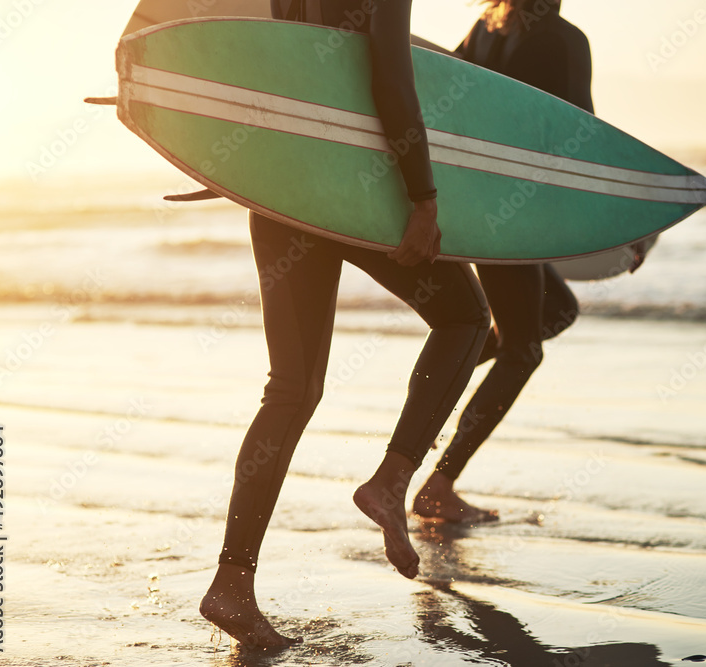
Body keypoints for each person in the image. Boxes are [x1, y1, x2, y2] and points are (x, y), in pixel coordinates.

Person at [199, 0, 490, 648]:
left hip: (278, 182)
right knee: (467, 316)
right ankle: (392, 481)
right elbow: (388, 72)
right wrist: (423, 196)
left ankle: (232, 582)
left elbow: (260, 55)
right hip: (352, 183)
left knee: (293, 387)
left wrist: (219, 156)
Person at [412, 0, 593, 524]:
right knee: (524, 350)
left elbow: (445, 98)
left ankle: (437, 380)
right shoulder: (562, 39)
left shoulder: (486, 31)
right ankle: (439, 484)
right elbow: (585, 140)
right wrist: (625, 225)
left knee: (555, 310)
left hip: (478, 205)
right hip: (514, 216)